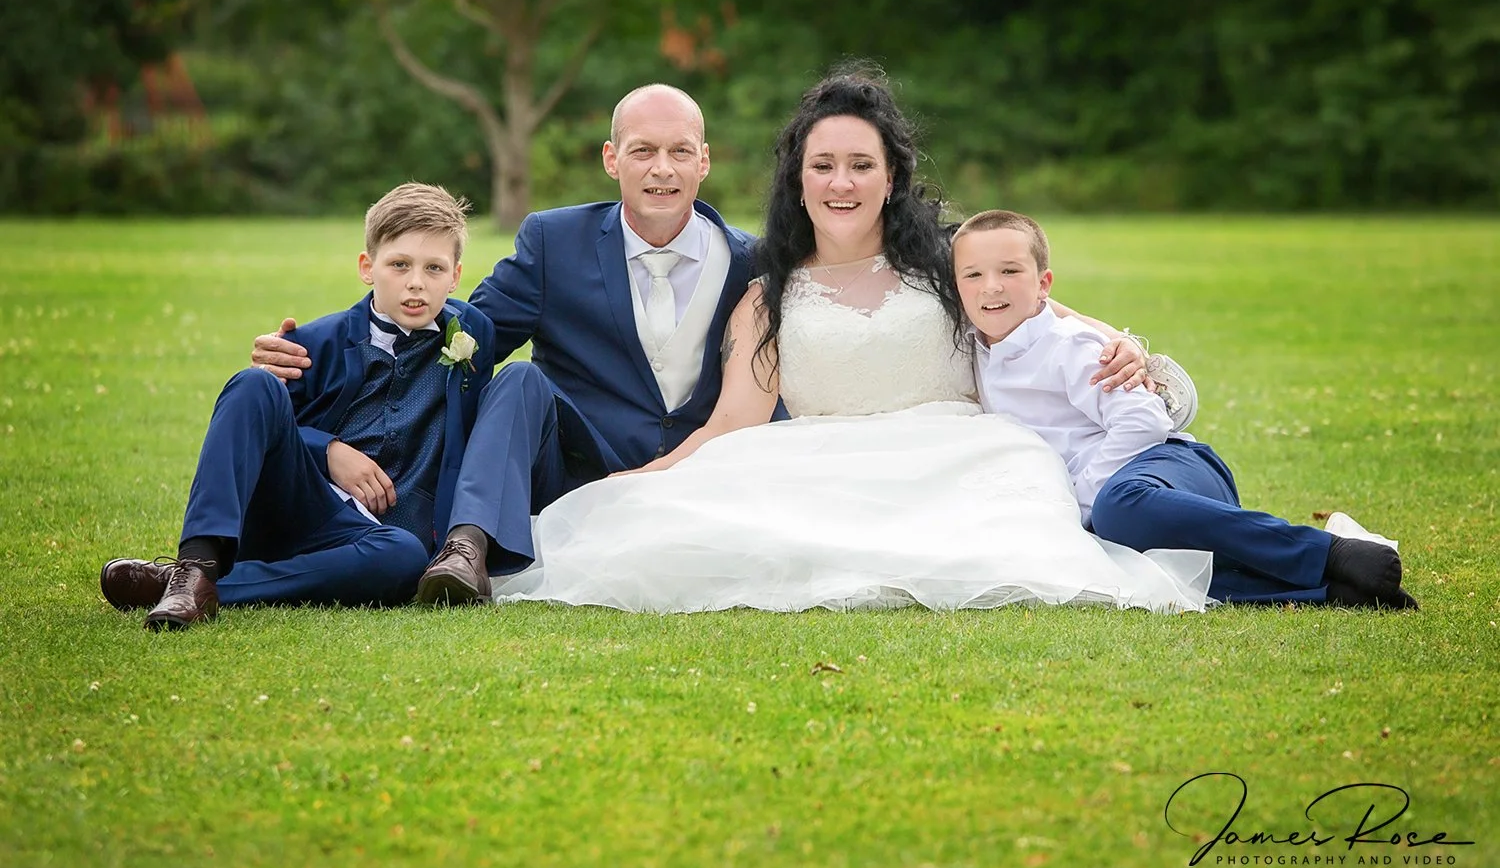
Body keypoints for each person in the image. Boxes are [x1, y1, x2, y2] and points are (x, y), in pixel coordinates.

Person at [250, 83, 1161, 606]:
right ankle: (464, 551)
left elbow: (1003, 292)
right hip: (594, 455)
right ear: (612, 159)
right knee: (518, 384)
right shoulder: (554, 242)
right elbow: (463, 329)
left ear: (704, 160)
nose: (659, 169)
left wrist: (1121, 345)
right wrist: (332, 343)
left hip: (765, 453)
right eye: (641, 151)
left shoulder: (755, 261)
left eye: (678, 151)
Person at [490, 70, 1211, 613]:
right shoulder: (766, 294)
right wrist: (642, 481)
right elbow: (732, 423)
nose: (842, 182)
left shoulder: (951, 264)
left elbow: (1051, 319)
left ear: (891, 176)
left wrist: (1125, 347)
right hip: (820, 464)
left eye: (862, 165)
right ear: (797, 179)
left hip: (959, 459)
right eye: (823, 165)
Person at [952, 208, 1418, 609]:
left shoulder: (1071, 345)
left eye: (1010, 271)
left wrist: (1083, 501)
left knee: (1117, 510)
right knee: (1131, 568)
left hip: (1168, 467)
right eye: (973, 275)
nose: (991, 287)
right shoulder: (975, 353)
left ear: (1044, 284)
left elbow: (1143, 420)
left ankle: (1327, 552)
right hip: (1123, 503)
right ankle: (1334, 591)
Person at [100, 183, 496, 629]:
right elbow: (259, 430)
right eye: (399, 264)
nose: (416, 282)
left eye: (434, 268)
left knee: (405, 557)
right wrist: (326, 450)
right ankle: (197, 564)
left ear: (456, 276)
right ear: (368, 268)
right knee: (254, 384)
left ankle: (185, 586)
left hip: (374, 540)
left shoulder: (472, 335)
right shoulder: (309, 344)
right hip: (299, 505)